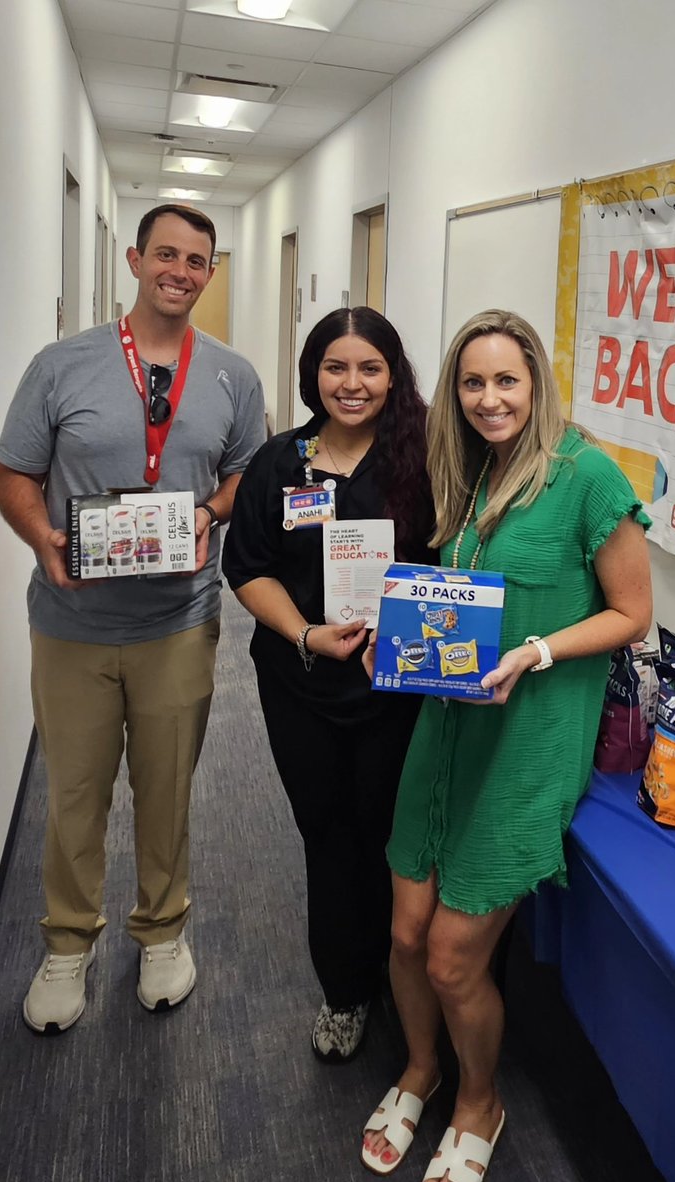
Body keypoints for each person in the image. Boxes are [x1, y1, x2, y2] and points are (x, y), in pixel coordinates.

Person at [359, 310, 653, 1182]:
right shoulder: (477, 472)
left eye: (506, 382)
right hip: (451, 727)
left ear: (537, 384)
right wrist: (395, 637)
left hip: (530, 737)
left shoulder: (587, 476)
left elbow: (633, 614)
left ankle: (478, 1102)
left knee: (454, 954)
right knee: (406, 932)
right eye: (472, 383)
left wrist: (534, 652)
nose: (490, 400)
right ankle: (419, 1069)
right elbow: (458, 605)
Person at [0, 204, 266, 1033]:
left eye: (197, 261)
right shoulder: (60, 365)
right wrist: (43, 538)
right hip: (73, 622)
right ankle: (68, 944)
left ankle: (163, 931)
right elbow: (15, 474)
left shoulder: (231, 375)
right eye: (167, 255)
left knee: (166, 786)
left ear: (210, 273)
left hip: (179, 622)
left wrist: (211, 516)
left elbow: (246, 475)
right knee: (74, 792)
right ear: (136, 257)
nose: (180, 271)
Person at [222, 307, 434, 1062]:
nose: (352, 384)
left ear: (392, 375)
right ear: (313, 373)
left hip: (396, 689)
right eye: (335, 368)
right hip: (301, 683)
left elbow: (451, 567)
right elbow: (246, 568)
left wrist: (407, 634)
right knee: (327, 834)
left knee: (387, 836)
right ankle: (344, 992)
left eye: (369, 368)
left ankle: (397, 973)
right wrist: (307, 634)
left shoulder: (423, 459)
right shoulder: (281, 464)